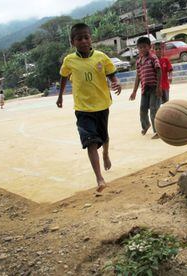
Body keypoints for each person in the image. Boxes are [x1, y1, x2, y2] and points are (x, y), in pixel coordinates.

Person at [56, 23, 121, 193]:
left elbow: (111, 74)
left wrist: (116, 82)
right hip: (83, 109)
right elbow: (63, 77)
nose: (84, 41)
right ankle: (99, 178)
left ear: (91, 38)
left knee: (104, 137)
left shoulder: (101, 57)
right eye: (79, 38)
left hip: (102, 105)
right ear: (73, 42)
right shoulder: (69, 60)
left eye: (86, 37)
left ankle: (106, 153)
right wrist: (60, 95)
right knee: (90, 141)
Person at [129, 36, 162, 139]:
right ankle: (146, 125)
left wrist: (158, 87)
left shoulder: (153, 58)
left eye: (144, 47)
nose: (142, 49)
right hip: (145, 89)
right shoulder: (138, 61)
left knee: (153, 109)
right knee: (142, 109)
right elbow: (138, 77)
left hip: (154, 88)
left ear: (149, 47)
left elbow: (159, 71)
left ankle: (158, 131)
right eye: (140, 47)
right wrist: (134, 91)